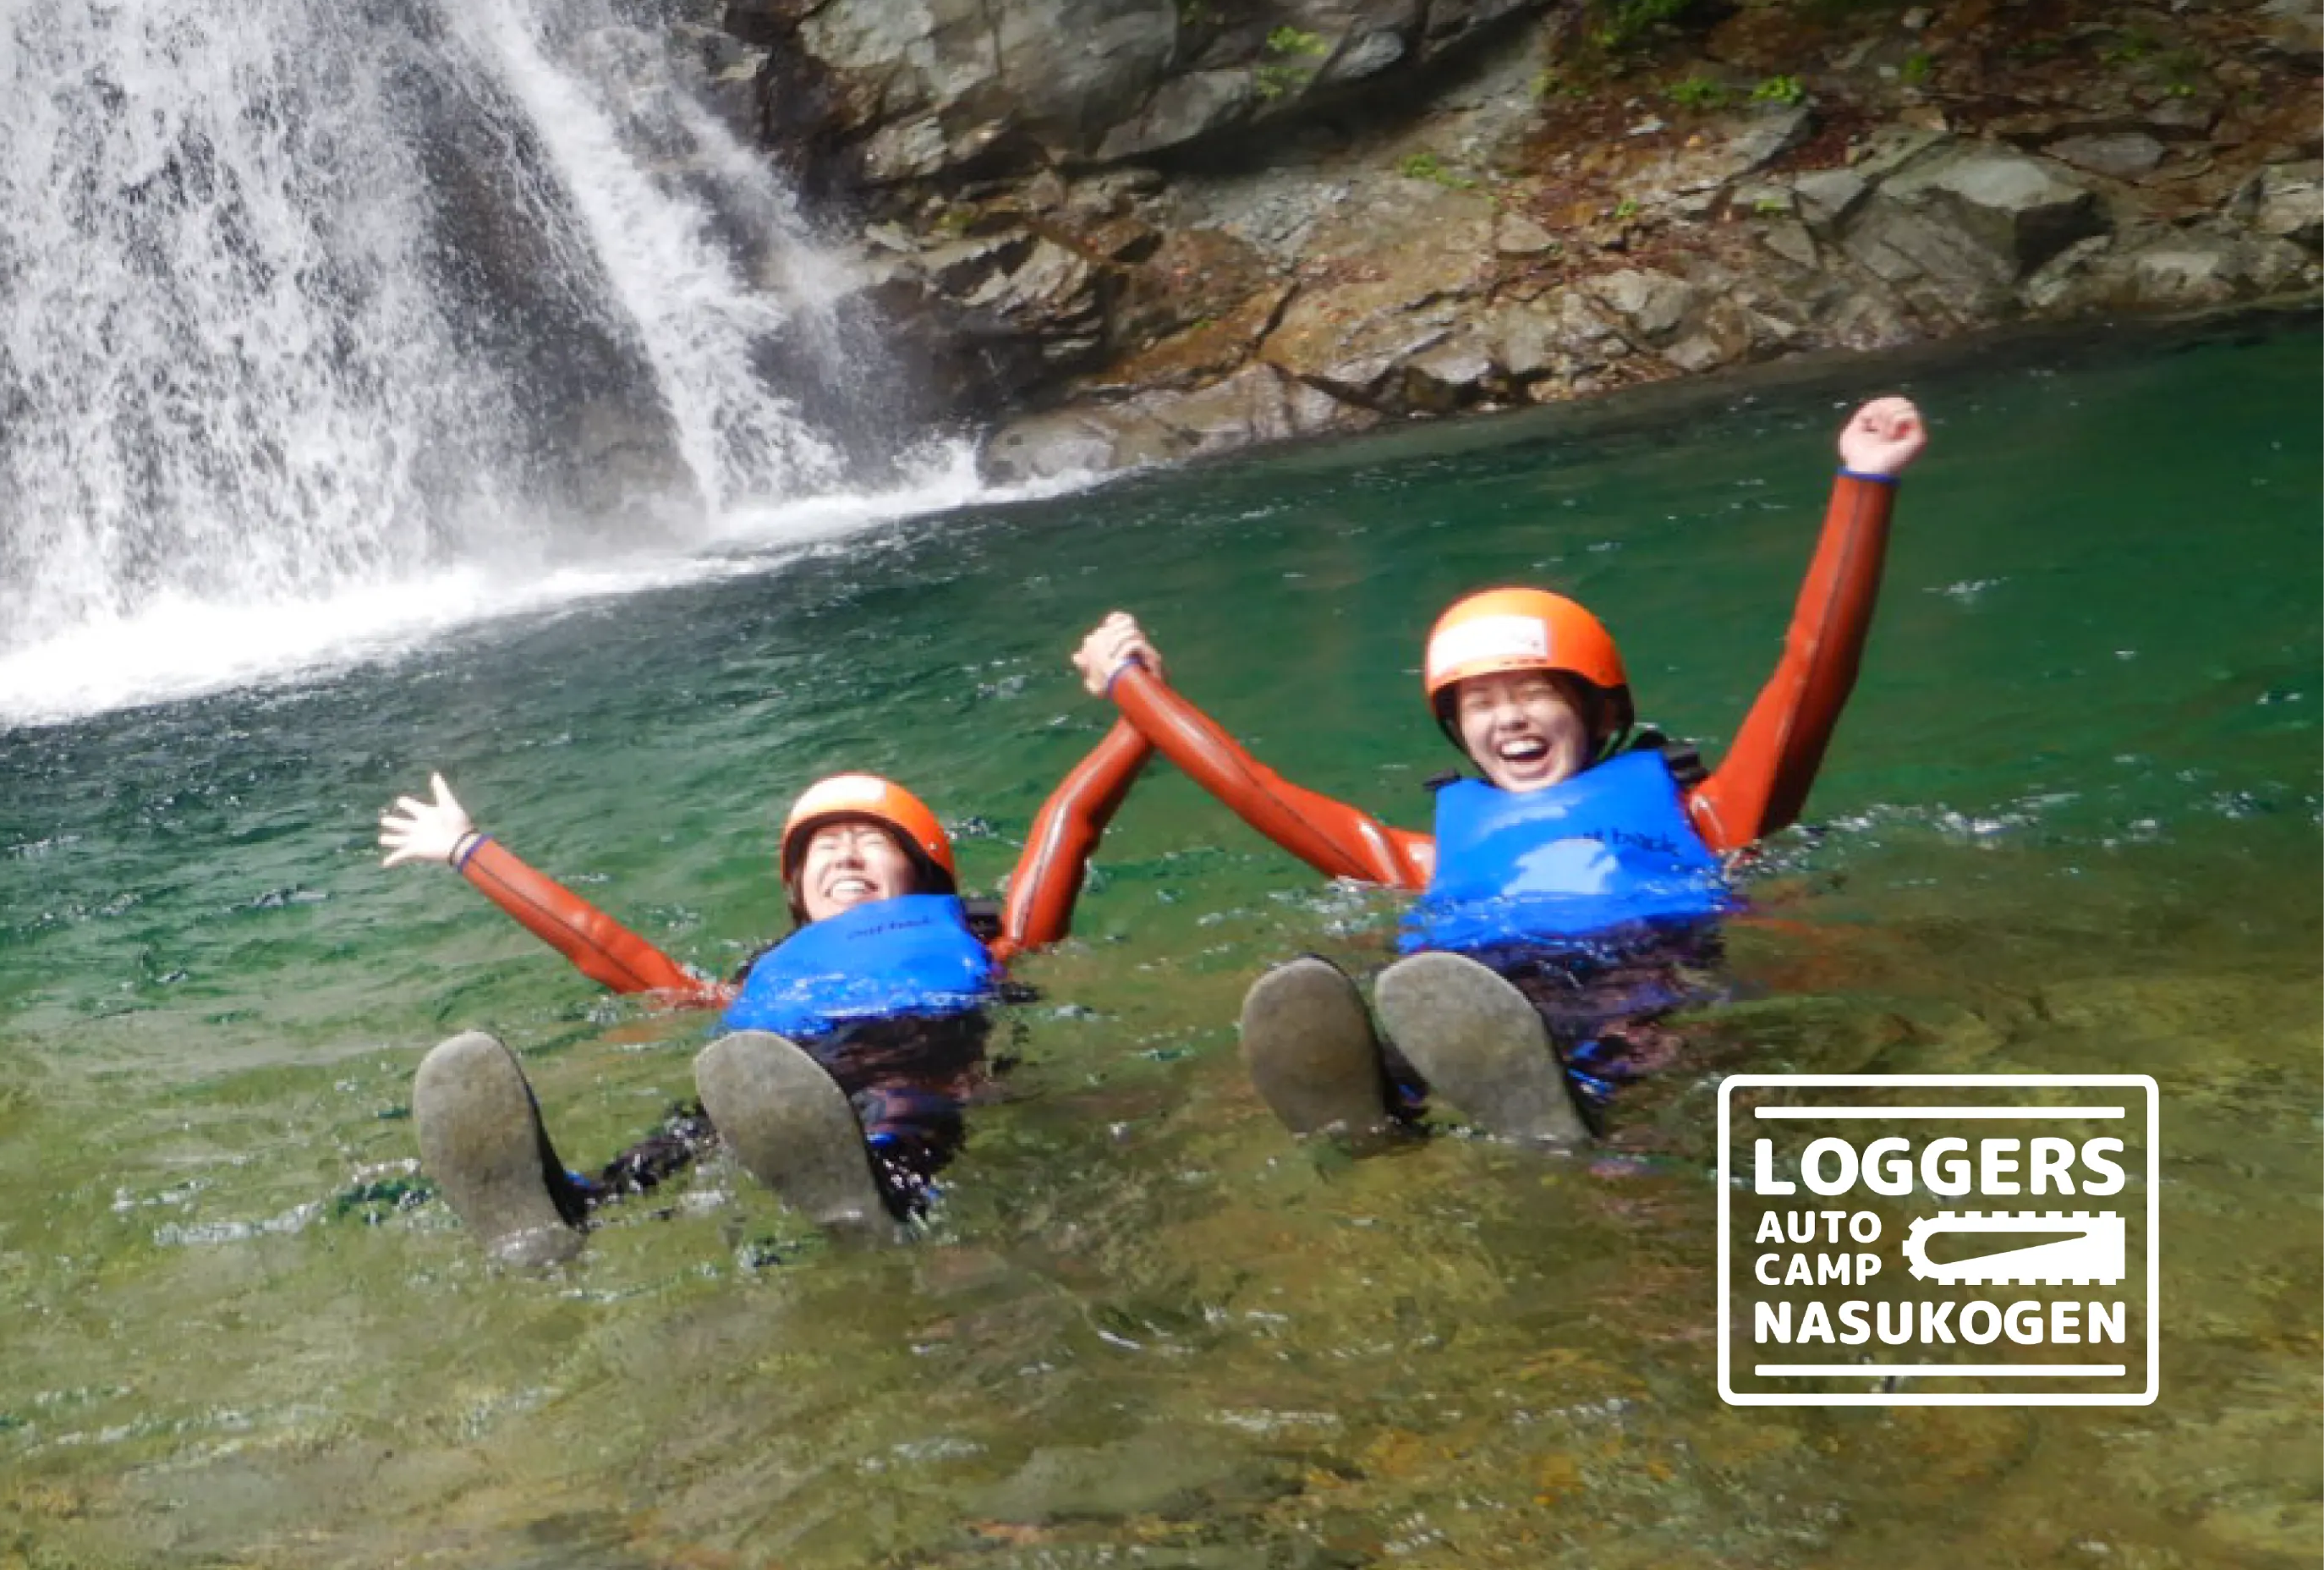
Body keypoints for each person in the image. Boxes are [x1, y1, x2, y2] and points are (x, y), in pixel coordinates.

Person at [1071, 393, 1931, 1147]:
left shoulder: (1711, 814)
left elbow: (1811, 674)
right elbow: (1253, 789)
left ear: (1597, 713)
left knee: (1616, 1028)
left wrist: (1864, 483)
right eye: (1479, 704)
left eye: (1531, 694)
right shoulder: (1421, 859)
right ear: (1457, 730)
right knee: (1416, 996)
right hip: (1470, 995)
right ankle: (1384, 1114)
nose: (1507, 716)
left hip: (1631, 985)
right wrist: (1131, 687)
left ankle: (1558, 1106)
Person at [376, 726, 1149, 1265]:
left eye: (872, 840)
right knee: (701, 1119)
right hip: (782, 1066)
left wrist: (1136, 713)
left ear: (925, 875)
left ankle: (875, 1186)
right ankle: (570, 1208)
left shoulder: (991, 935)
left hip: (920, 1046)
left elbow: (1071, 823)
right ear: (798, 895)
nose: (845, 851)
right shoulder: (762, 975)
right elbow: (611, 952)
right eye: (824, 847)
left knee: (900, 1096)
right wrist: (469, 851)